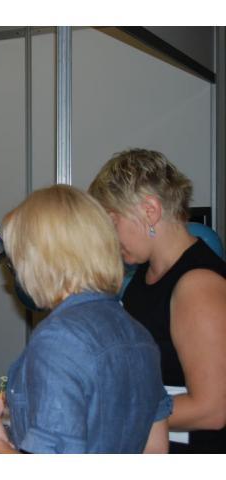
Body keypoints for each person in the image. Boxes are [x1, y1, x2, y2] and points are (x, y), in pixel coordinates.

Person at [0, 184, 171, 453]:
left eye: (16, 262)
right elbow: (156, 448)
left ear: (39, 260)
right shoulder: (137, 332)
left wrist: (0, 446)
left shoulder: (58, 340)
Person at [89, 148, 226, 453]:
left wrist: (107, 413)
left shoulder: (198, 285)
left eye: (112, 223)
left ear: (150, 211)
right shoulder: (143, 276)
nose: (109, 239)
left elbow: (212, 408)